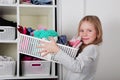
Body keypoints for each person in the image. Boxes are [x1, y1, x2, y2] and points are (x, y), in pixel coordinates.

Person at [38, 15, 103, 80]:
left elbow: (77, 67)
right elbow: (72, 64)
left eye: (89, 31)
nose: (84, 34)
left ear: (97, 33)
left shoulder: (92, 48)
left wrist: (57, 51)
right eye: (82, 31)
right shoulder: (85, 48)